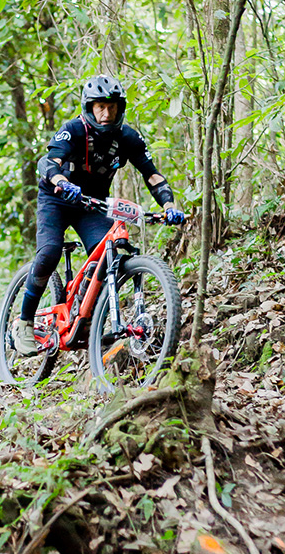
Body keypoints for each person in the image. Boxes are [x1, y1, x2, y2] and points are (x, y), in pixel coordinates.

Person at [14, 75, 185, 356]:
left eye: (112, 107)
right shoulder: (73, 130)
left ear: (120, 108)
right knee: (49, 253)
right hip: (57, 199)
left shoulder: (128, 138)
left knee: (109, 256)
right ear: (89, 108)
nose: (106, 113)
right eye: (100, 107)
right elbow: (48, 162)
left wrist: (169, 206)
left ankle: (88, 315)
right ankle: (24, 323)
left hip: (92, 205)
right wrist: (62, 182)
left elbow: (151, 174)